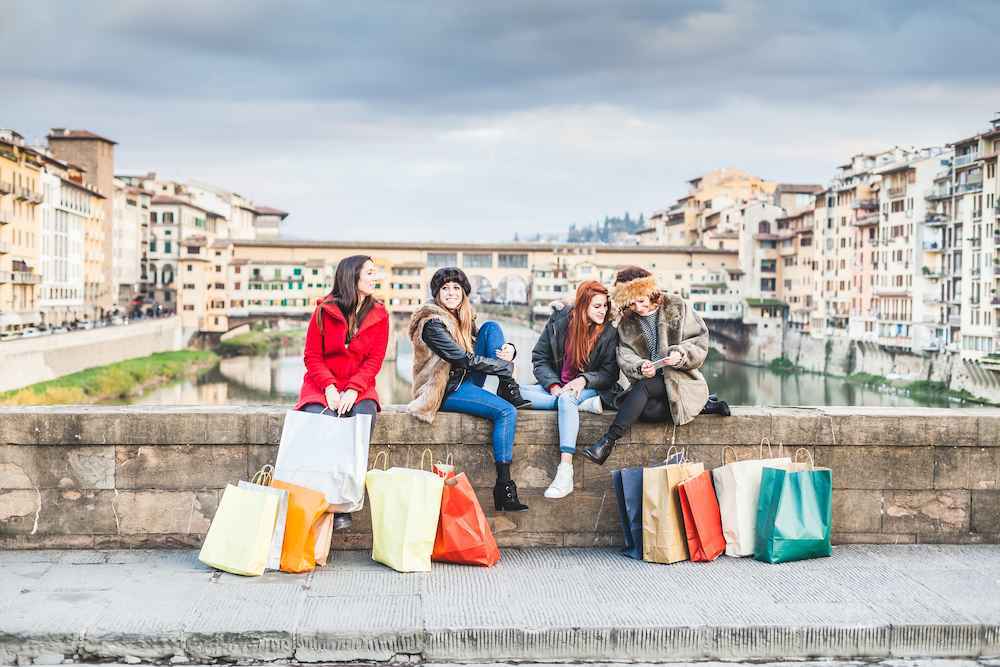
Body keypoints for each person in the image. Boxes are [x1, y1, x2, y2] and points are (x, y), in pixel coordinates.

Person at [407, 267, 532, 512]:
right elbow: (463, 359)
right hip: (443, 389)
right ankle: (504, 486)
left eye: (456, 288)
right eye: (445, 288)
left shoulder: (462, 319)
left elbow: (480, 348)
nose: (451, 293)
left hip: (464, 381)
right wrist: (504, 367)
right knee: (506, 412)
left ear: (464, 292)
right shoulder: (432, 323)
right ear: (437, 294)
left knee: (492, 328)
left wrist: (510, 351)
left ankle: (508, 387)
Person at [581, 266, 730, 465]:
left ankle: (607, 442)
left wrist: (680, 354)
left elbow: (699, 340)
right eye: (631, 304)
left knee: (642, 388)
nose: (638, 308)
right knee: (646, 412)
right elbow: (625, 354)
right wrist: (641, 366)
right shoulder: (627, 321)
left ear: (651, 293)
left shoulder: (676, 305)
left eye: (641, 301)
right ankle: (702, 406)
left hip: (679, 378)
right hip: (651, 381)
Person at [295, 254, 390, 529]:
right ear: (353, 276)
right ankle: (323, 499)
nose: (376, 278)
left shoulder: (380, 315)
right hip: (321, 385)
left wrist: (352, 390)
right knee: (320, 421)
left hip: (359, 387)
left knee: (360, 422)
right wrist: (329, 387)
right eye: (370, 273)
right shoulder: (324, 310)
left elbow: (374, 361)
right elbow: (312, 356)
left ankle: (342, 504)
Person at [519, 280, 622, 498]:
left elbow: (610, 373)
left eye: (605, 306)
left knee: (567, 400)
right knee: (512, 392)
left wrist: (584, 380)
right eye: (597, 306)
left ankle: (565, 472)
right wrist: (554, 385)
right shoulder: (559, 321)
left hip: (593, 387)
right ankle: (582, 406)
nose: (603, 311)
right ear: (583, 305)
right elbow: (540, 357)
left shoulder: (610, 332)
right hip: (559, 386)